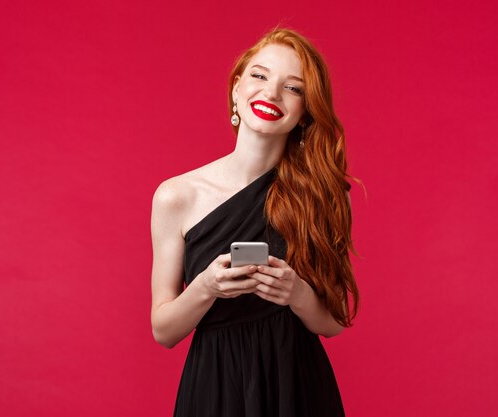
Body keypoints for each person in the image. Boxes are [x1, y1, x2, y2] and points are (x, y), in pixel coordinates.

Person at [150, 27, 359, 417]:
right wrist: (207, 287)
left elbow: (332, 323)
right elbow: (163, 330)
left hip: (296, 385)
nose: (272, 94)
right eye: (259, 76)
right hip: (215, 386)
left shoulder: (327, 195)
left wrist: (295, 292)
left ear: (304, 113)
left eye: (293, 88)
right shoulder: (176, 196)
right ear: (236, 88)